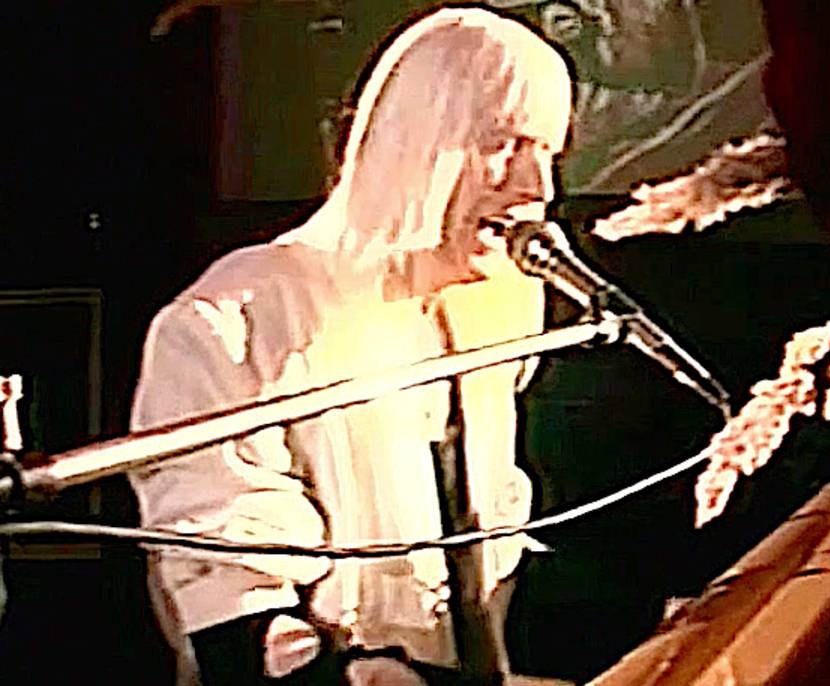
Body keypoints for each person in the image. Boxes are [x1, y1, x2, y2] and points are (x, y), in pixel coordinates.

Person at [127, 7, 573, 685]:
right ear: (417, 139)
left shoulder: (493, 315)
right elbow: (232, 595)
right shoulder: (237, 320)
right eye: (502, 144)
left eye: (550, 153)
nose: (538, 188)